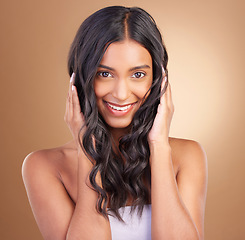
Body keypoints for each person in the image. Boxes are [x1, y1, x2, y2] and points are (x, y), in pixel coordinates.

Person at [22, 6, 208, 240]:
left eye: (138, 74)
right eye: (105, 74)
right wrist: (86, 150)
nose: (121, 94)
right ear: (81, 78)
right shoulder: (44, 166)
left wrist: (159, 147)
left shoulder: (188, 156)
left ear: (159, 80)